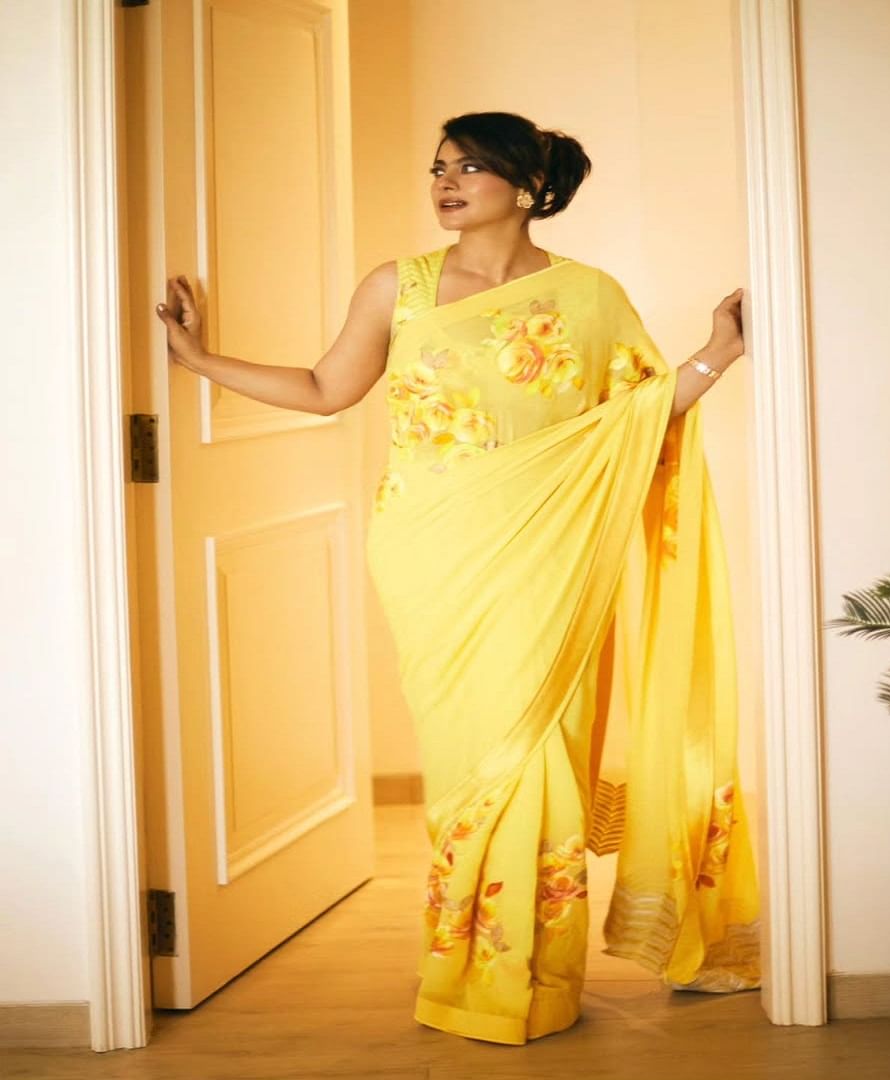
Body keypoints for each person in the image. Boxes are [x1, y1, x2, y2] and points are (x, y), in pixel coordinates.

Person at [155, 110, 761, 1046]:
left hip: (549, 554)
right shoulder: (396, 287)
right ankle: (471, 967)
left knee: (538, 746)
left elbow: (640, 416)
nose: (445, 182)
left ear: (528, 187)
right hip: (432, 552)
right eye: (439, 167)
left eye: (470, 167)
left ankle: (534, 978)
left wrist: (719, 348)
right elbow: (325, 389)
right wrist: (199, 362)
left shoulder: (589, 296)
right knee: (467, 755)